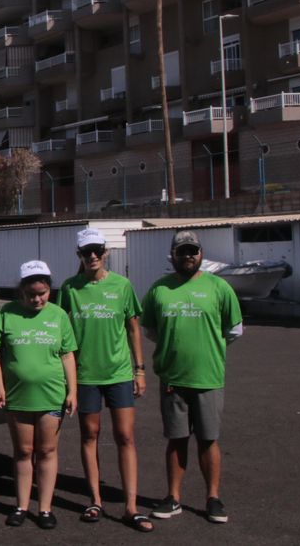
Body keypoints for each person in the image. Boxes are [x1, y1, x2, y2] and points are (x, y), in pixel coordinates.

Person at [141, 231, 243, 525]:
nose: (188, 256)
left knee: (208, 439)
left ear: (200, 254)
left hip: (208, 378)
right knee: (177, 439)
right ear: (172, 255)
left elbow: (233, 330)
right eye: (182, 251)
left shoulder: (219, 287)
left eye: (193, 251)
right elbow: (151, 330)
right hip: (173, 377)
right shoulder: (159, 289)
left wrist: (208, 349)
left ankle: (213, 497)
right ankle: (173, 498)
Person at [58, 228, 151, 532]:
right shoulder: (69, 289)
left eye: (97, 250)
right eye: (87, 252)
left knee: (125, 436)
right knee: (90, 435)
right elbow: (59, 329)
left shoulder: (122, 286)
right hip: (85, 376)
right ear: (79, 255)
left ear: (106, 252)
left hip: (119, 373)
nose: (93, 256)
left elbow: (133, 328)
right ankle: (95, 499)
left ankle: (131, 506)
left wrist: (139, 369)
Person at [0, 260, 77, 531]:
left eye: (43, 292)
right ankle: (21, 506)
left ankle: (45, 508)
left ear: (49, 289)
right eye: (31, 293)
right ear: (21, 291)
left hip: (51, 394)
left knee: (47, 450)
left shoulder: (59, 315)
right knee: (23, 451)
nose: (37, 298)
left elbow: (67, 353)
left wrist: (73, 390)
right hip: (17, 395)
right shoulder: (7, 312)